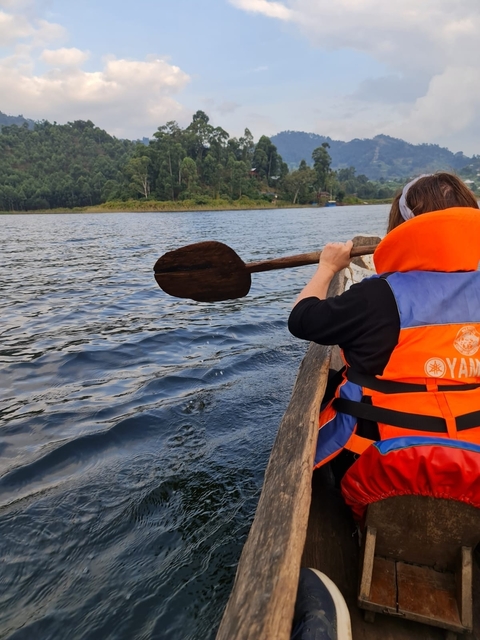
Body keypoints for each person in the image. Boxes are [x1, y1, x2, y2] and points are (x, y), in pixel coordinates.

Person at [288, 172, 480, 477]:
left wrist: (327, 267)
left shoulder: (377, 296)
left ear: (402, 228)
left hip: (384, 466)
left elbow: (302, 318)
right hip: (475, 463)